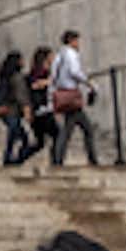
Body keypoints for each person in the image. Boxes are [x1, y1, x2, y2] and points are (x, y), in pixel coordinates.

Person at [49, 29, 98, 166]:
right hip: (71, 95)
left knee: (70, 128)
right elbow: (75, 72)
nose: (78, 44)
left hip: (62, 94)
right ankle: (91, 158)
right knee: (86, 129)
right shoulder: (71, 54)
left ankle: (58, 158)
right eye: (77, 41)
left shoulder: (59, 56)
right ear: (71, 41)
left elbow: (54, 75)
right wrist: (88, 83)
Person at [0, 50, 32, 168]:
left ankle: (9, 158)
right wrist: (27, 110)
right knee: (22, 138)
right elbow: (21, 96)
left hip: (6, 111)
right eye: (22, 59)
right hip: (12, 111)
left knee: (14, 135)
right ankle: (13, 158)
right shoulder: (17, 77)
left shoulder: (5, 76)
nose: (24, 62)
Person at [24, 45, 57, 161]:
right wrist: (46, 82)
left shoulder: (47, 72)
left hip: (43, 110)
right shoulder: (39, 73)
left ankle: (18, 159)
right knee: (58, 134)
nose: (54, 58)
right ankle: (56, 161)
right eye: (51, 56)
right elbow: (34, 85)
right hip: (40, 111)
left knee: (41, 142)